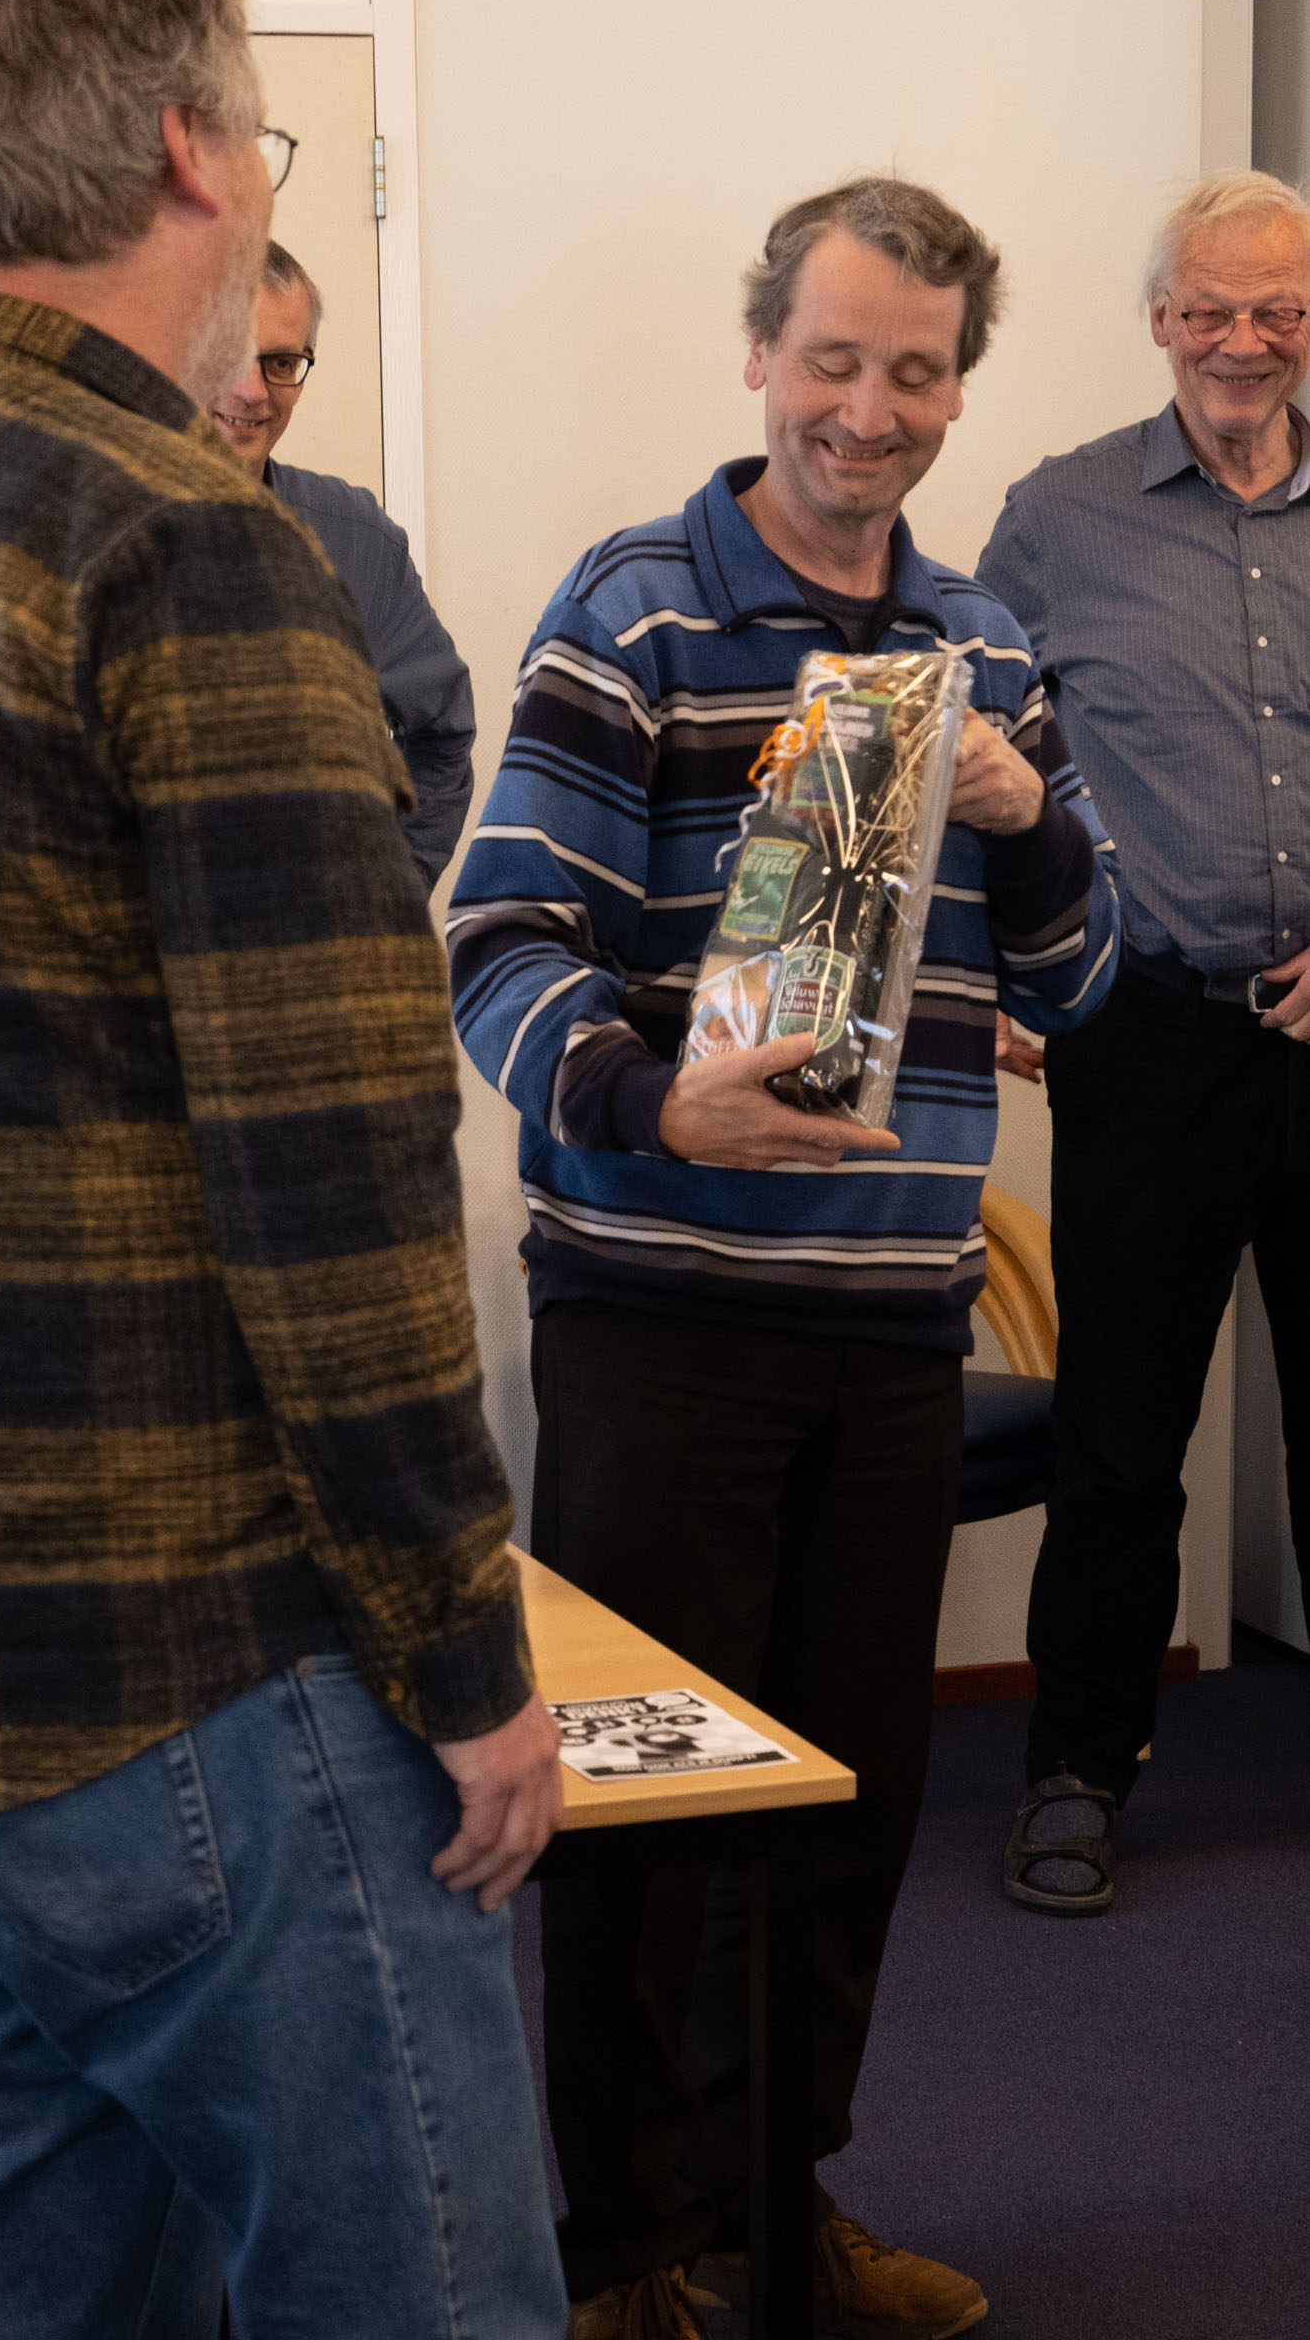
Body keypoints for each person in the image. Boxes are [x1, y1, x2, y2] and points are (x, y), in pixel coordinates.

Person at [0, 0, 566, 2340]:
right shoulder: (190, 542)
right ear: (191, 147)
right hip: (192, 1664)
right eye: (262, 141)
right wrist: (468, 1656)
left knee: (39, 2298)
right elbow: (334, 1188)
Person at [449, 175, 1121, 2340]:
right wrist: (652, 1099)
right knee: (646, 1816)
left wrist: (1026, 818)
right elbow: (498, 942)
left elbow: (1083, 977)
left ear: (955, 390)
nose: (866, 409)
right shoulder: (633, 607)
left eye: (912, 372)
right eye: (830, 360)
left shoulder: (982, 643)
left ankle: (771, 2208)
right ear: (760, 354)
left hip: (887, 1325)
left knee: (847, 1807)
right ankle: (625, 2256)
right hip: (660, 1316)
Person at [977, 169, 1310, 1917]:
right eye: (1209, 309)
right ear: (1158, 319)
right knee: (1117, 1439)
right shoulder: (1057, 516)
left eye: (1276, 310)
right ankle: (1078, 1770)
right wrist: (992, 967)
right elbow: (966, 747)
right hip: (1146, 1040)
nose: (1240, 341)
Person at [209, 240, 476, 888]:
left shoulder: (356, 540)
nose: (252, 391)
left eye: (280, 363)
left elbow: (441, 737)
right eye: (227, 355)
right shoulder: (74, 528)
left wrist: (385, 897)